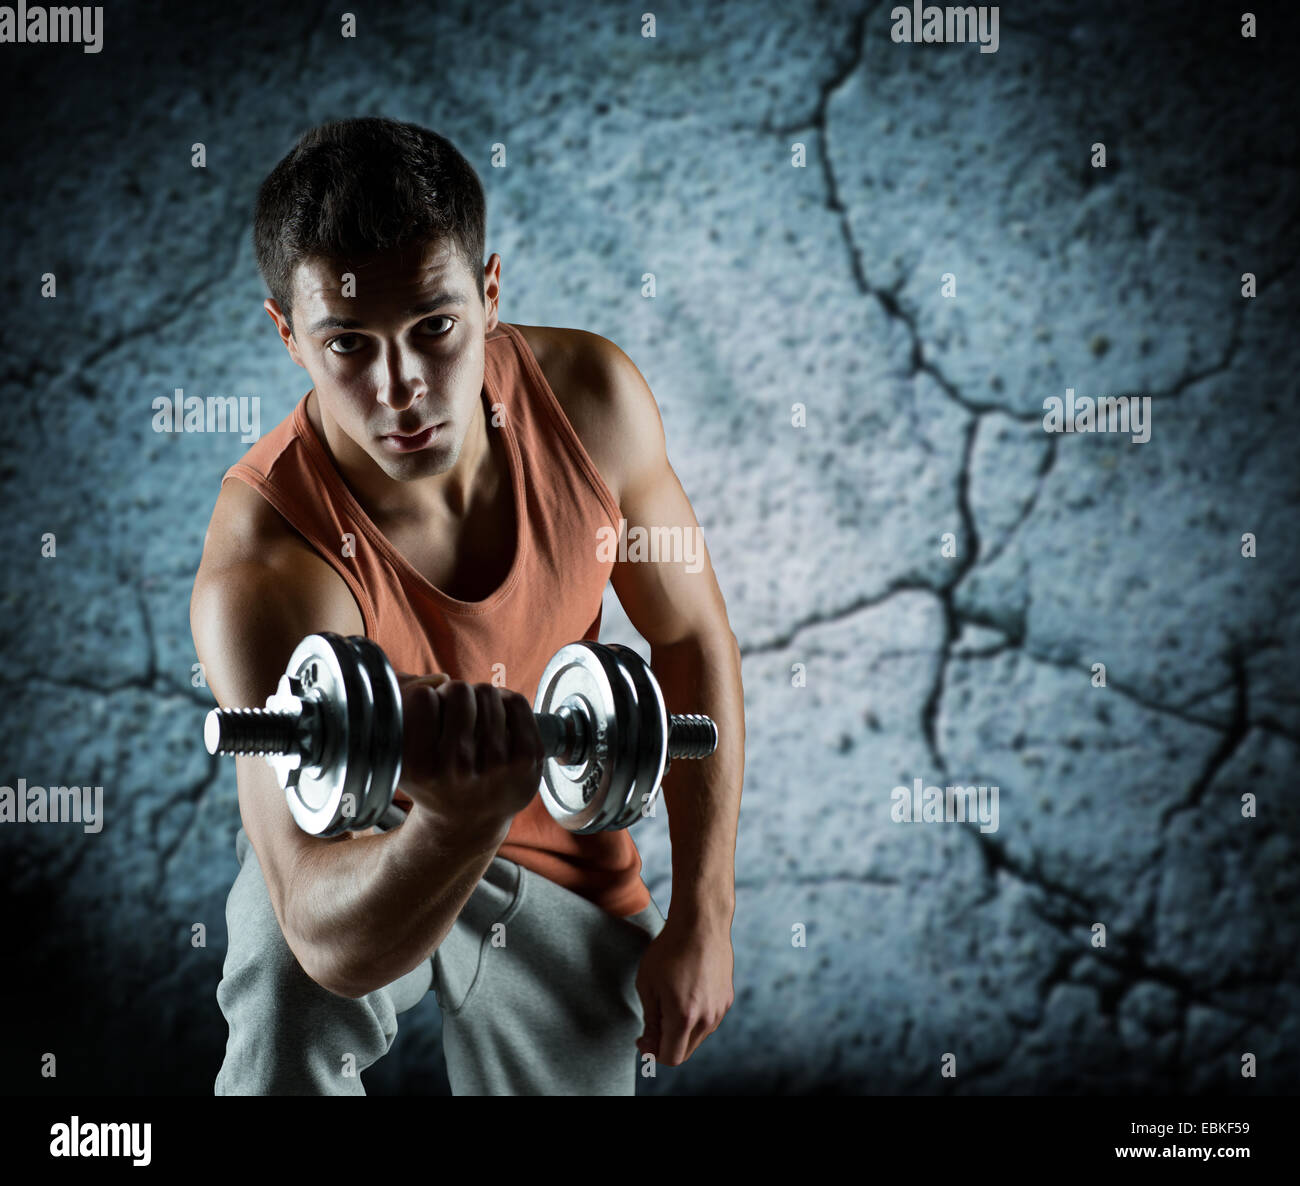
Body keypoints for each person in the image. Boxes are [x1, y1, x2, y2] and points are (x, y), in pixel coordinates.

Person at [189, 116, 744, 1095]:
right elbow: (321, 927)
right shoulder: (269, 555)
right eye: (348, 343)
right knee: (284, 990)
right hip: (366, 860)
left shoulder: (591, 405)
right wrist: (452, 821)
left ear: (488, 293)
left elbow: (689, 636)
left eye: (435, 327)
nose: (400, 387)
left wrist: (704, 913)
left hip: (564, 869)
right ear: (287, 335)